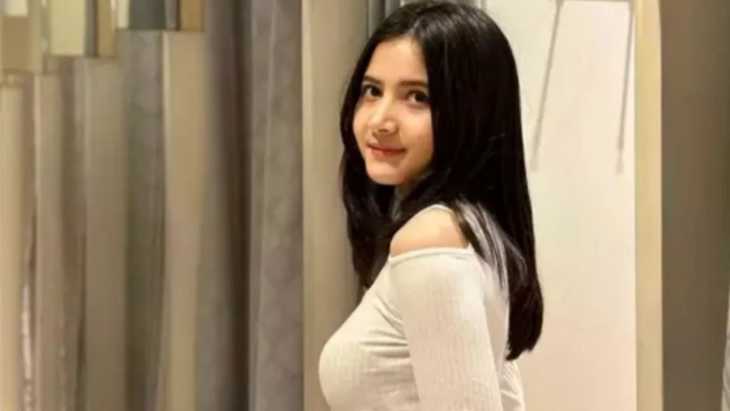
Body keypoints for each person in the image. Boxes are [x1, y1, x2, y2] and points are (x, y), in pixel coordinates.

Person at [318, 2, 544, 410]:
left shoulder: (431, 239)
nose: (381, 120)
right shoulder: (472, 227)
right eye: (372, 91)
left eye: (417, 97)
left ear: (472, 111)